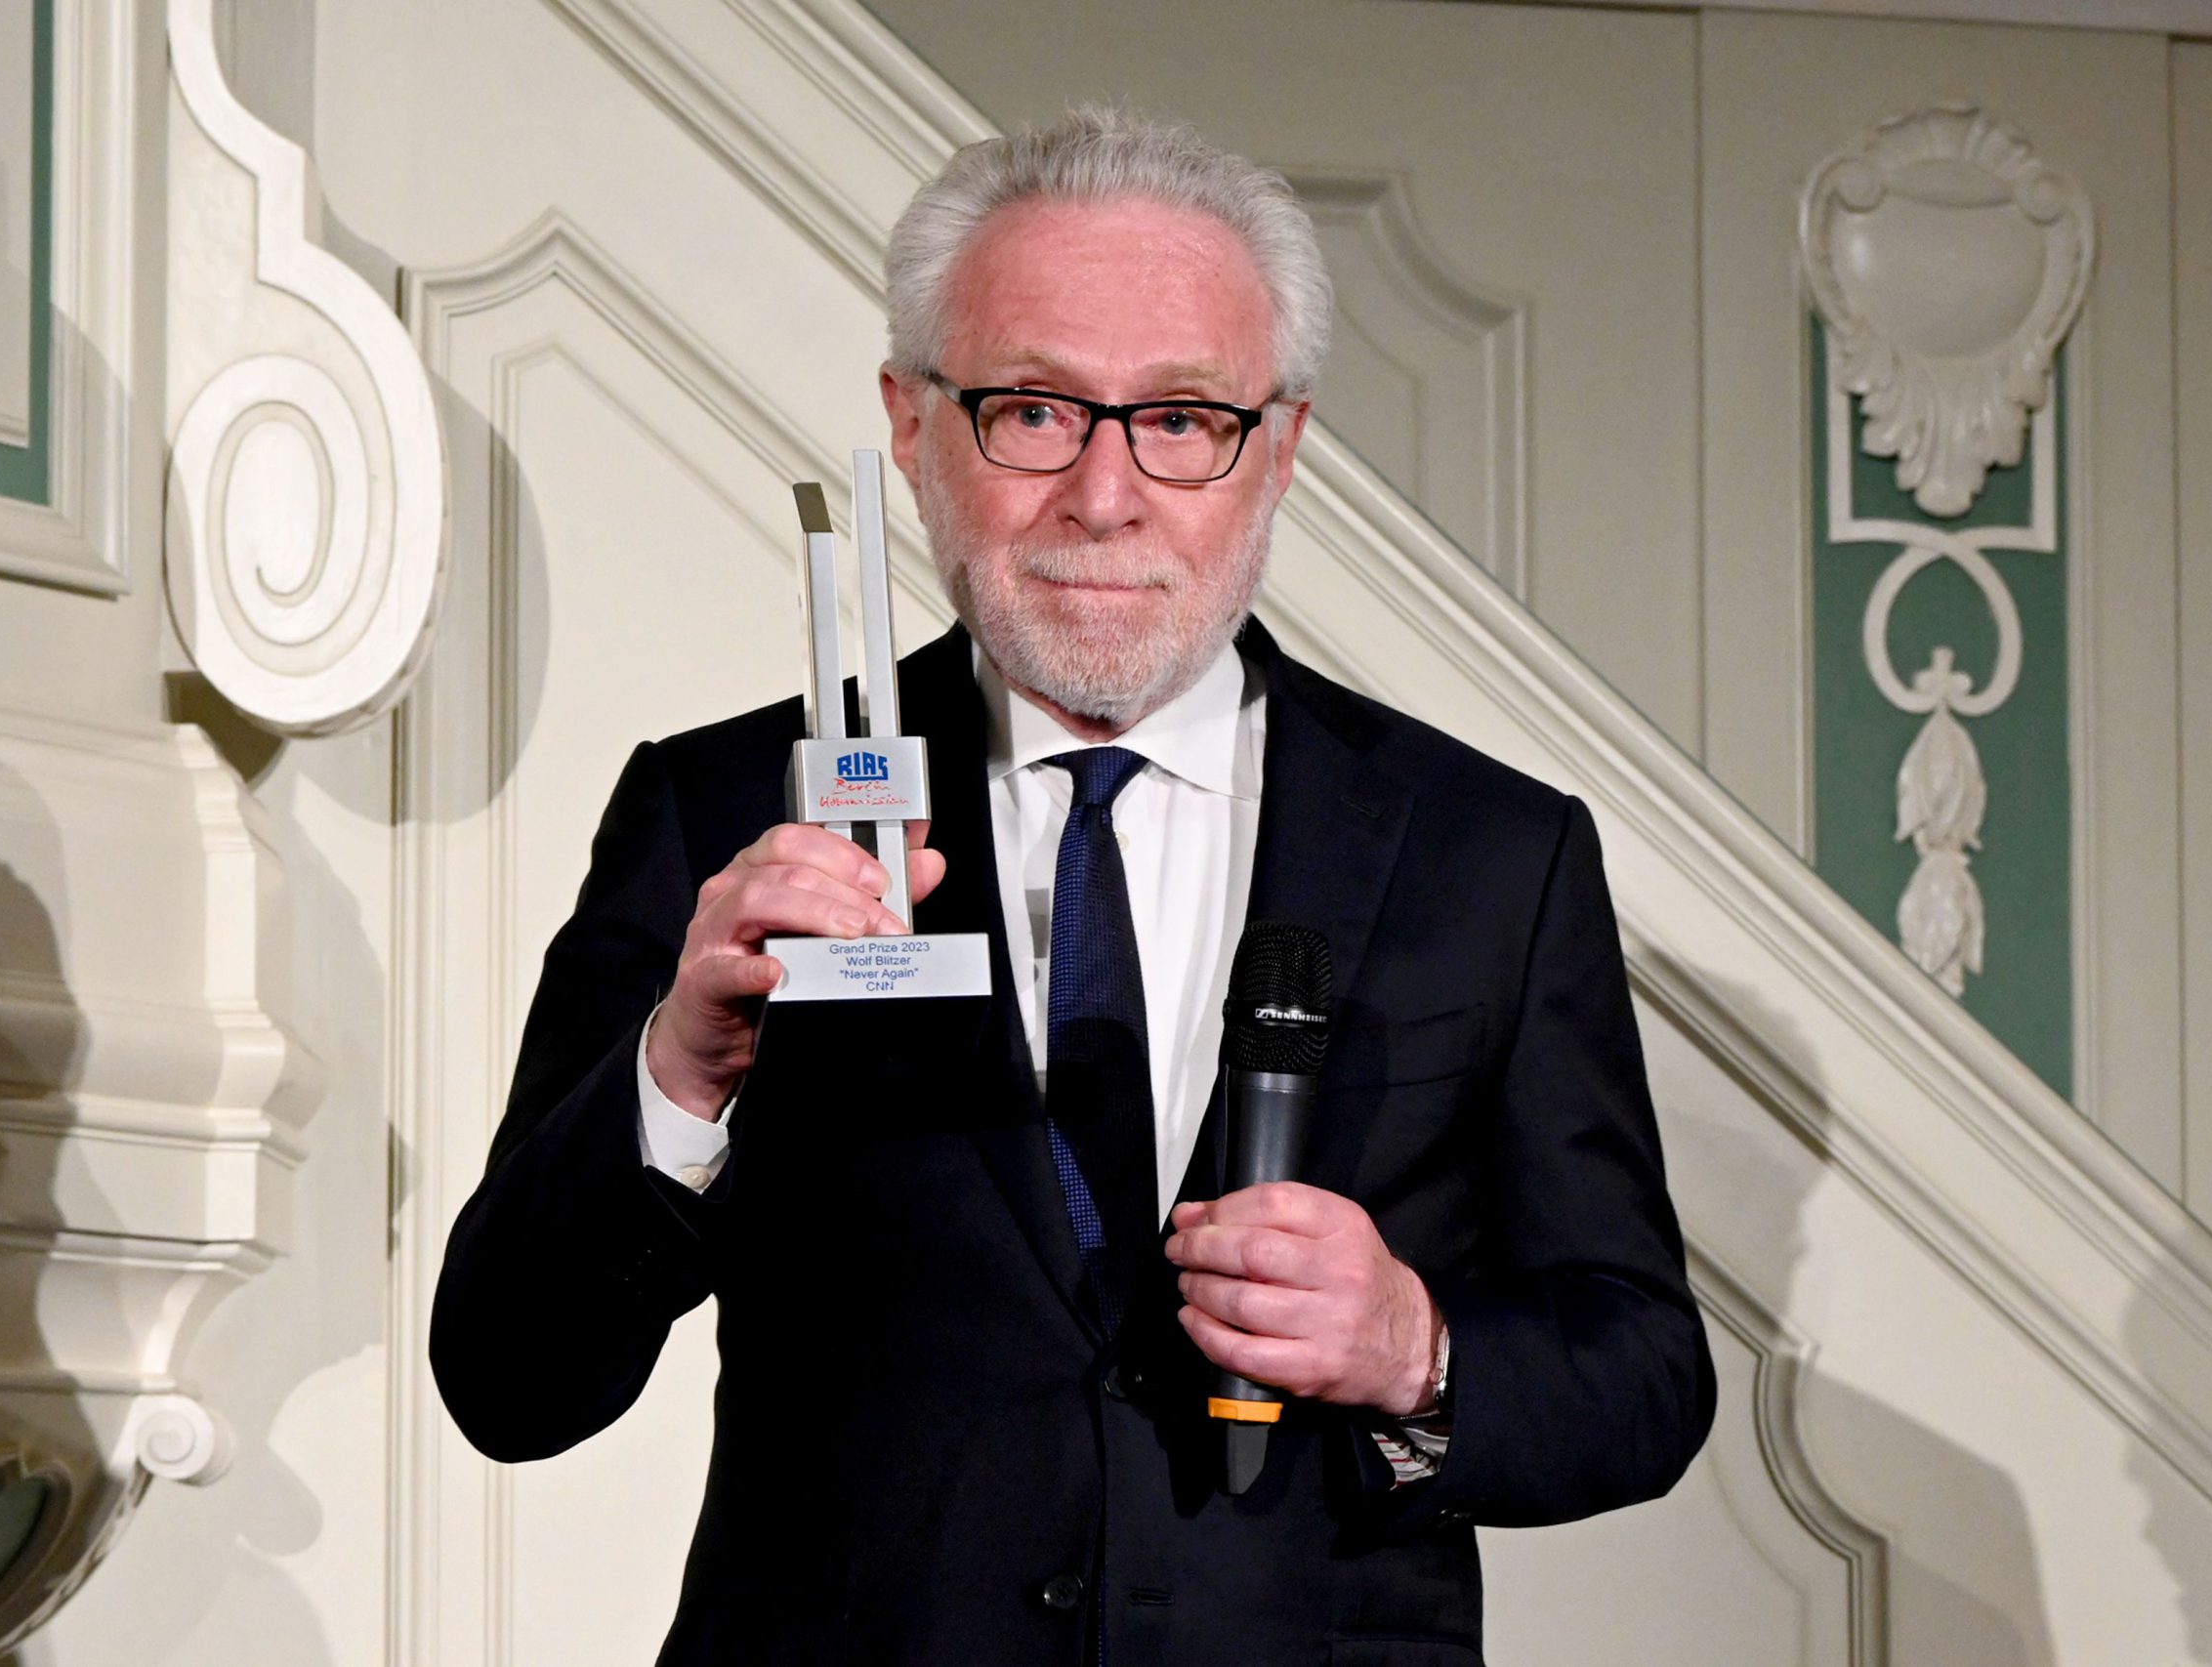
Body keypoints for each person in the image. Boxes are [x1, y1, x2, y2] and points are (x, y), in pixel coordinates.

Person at [431, 106, 1712, 1665]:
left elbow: (1643, 1375)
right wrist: (677, 1075)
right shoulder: (718, 813)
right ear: (912, 425)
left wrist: (1414, 1348)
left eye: (1181, 419)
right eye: (1033, 411)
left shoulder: (1492, 856)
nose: (1104, 497)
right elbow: (507, 1382)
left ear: (1282, 448)